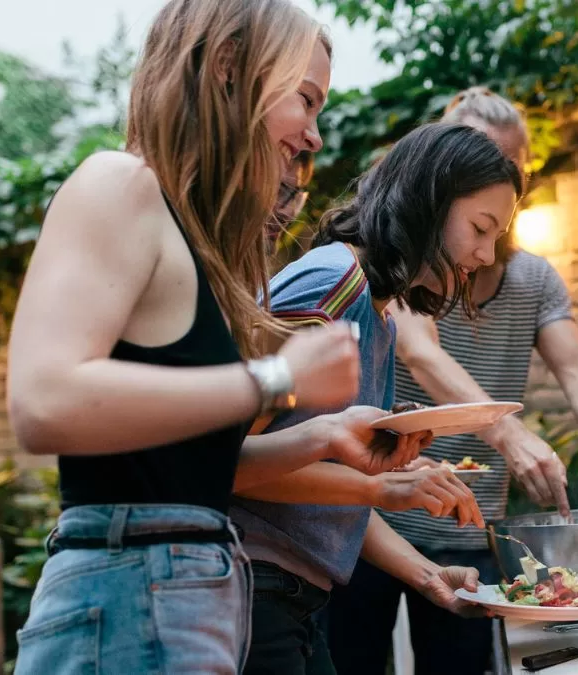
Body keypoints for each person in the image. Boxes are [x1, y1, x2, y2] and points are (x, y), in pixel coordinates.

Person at [5, 2, 423, 672]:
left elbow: (181, 471)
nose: (315, 136)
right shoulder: (119, 184)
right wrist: (278, 380)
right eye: (306, 100)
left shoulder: (194, 246)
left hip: (187, 597)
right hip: (127, 595)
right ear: (229, 67)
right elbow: (43, 399)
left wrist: (324, 434)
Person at [327, 87, 578, 675]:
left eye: (511, 166)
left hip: (468, 530)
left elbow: (576, 364)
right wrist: (509, 433)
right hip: (372, 521)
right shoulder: (414, 267)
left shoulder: (533, 278)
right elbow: (422, 351)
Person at [229, 121, 525, 675]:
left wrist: (425, 573)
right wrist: (386, 485)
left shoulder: (380, 313)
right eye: (480, 228)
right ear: (428, 201)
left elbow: (324, 496)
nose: (486, 255)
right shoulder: (331, 281)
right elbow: (229, 463)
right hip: (252, 587)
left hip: (292, 596)